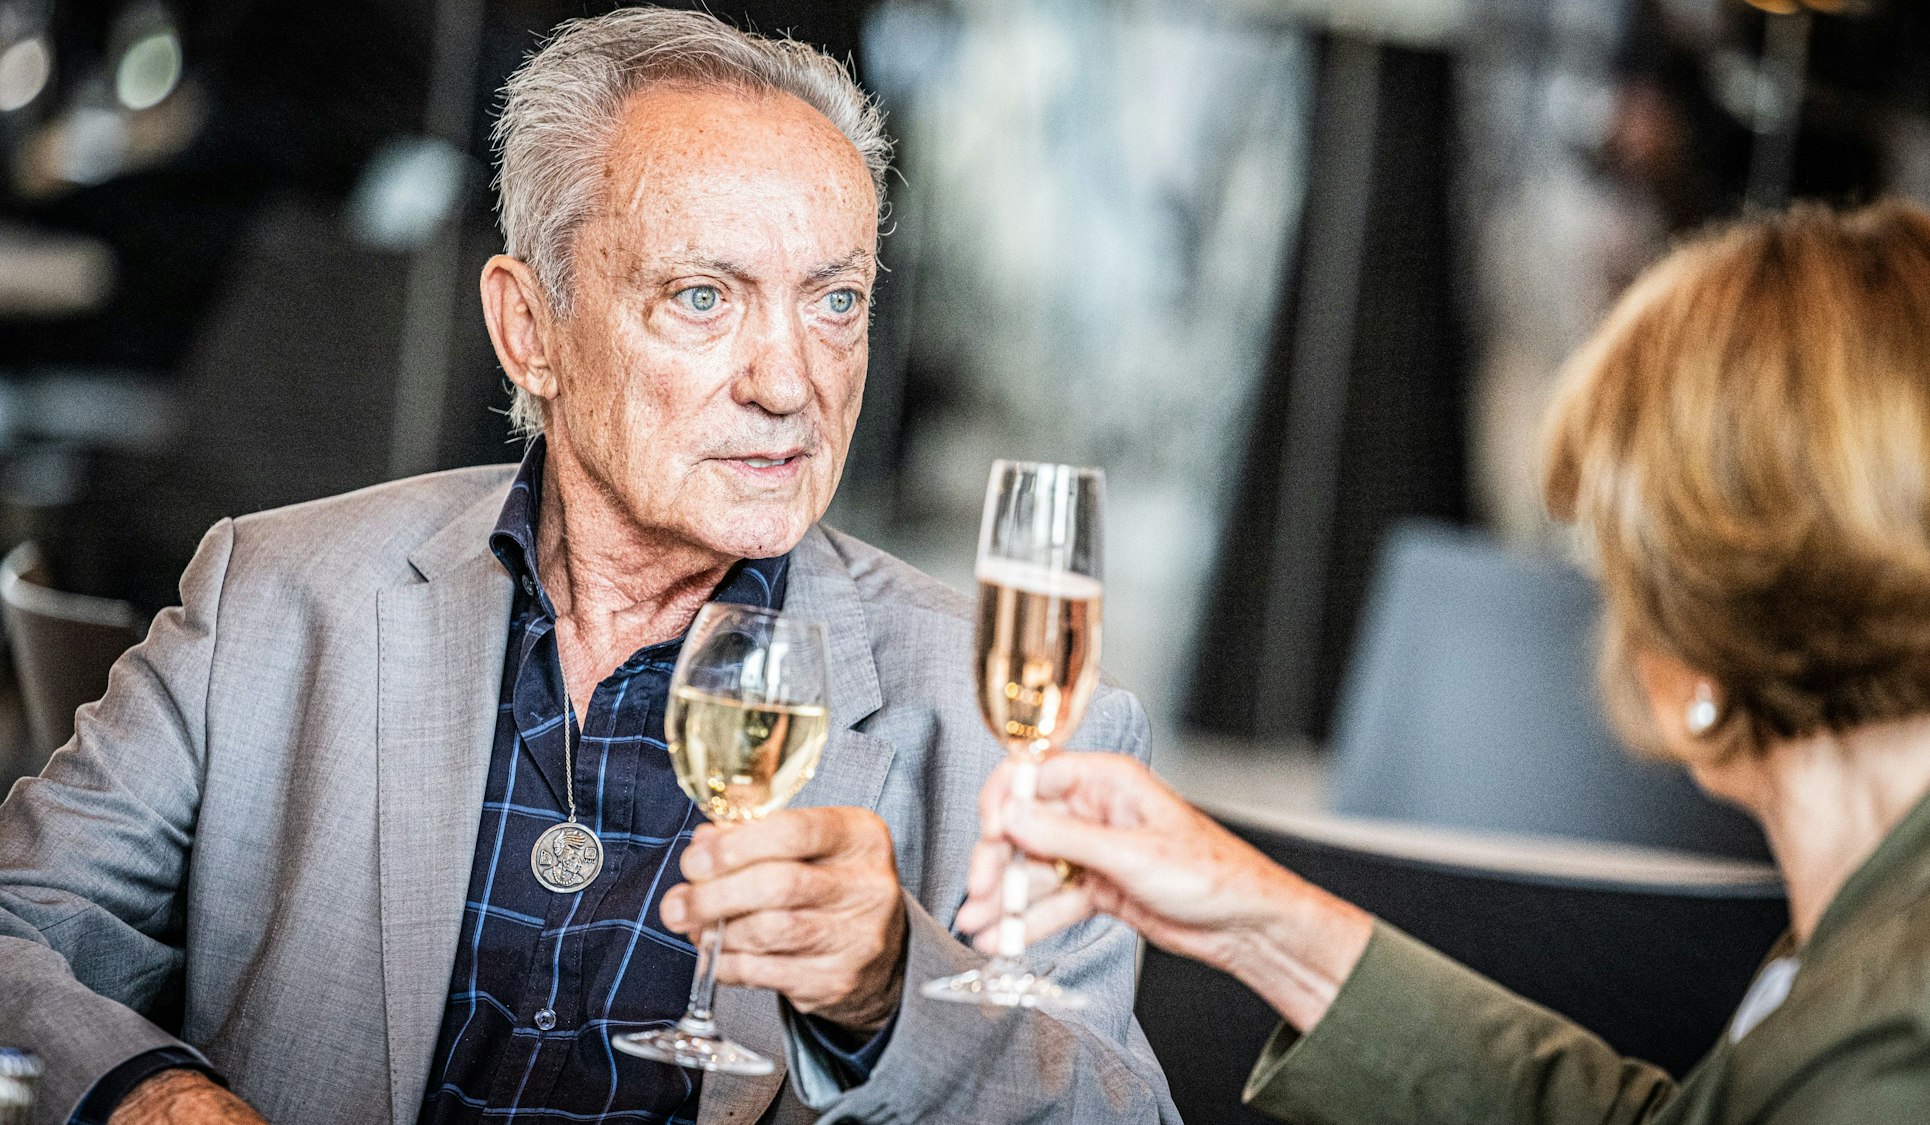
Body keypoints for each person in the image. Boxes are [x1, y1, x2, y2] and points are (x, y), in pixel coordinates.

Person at [0, 10, 1179, 1125]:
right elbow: (19, 930)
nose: (788, 383)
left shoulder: (1009, 729)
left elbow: (1117, 1111)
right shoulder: (277, 592)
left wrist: (888, 993)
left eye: (835, 301)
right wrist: (158, 1098)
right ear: (532, 331)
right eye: (703, 297)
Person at [959, 198, 1930, 1123]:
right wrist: (1246, 907)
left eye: (1616, 559)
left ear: (1710, 605)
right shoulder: (1905, 900)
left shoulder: (1912, 1040)